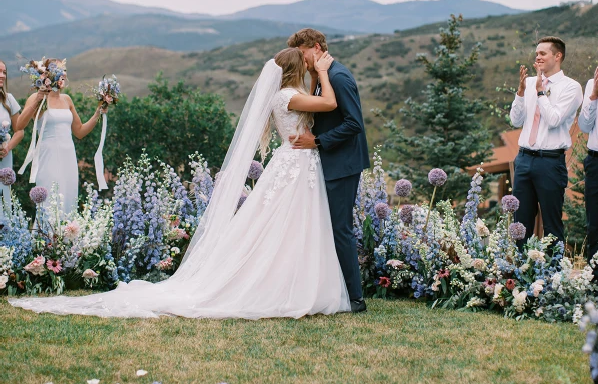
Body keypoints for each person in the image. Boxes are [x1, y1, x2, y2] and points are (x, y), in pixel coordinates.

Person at [10, 48, 351, 319]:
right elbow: (331, 104)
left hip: (298, 163)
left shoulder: (286, 94)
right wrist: (323, 72)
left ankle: (293, 282)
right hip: (294, 163)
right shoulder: (287, 96)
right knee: (282, 226)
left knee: (291, 226)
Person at [287, 28, 370, 313]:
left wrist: (318, 141)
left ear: (318, 48)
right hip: (330, 161)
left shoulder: (339, 77)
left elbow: (354, 123)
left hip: (343, 164)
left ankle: (356, 299)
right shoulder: (322, 77)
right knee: (330, 227)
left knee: (340, 229)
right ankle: (336, 290)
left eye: (304, 54)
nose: (302, 60)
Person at [509, 36, 583, 243]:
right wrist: (521, 93)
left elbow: (554, 120)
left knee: (551, 224)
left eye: (543, 53)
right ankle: (519, 272)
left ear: (557, 56)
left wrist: (541, 92)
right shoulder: (529, 82)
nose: (538, 57)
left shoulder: (572, 87)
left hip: (550, 162)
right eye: (536, 54)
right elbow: (515, 121)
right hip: (523, 160)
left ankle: (553, 274)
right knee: (520, 223)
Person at [16, 59, 105, 217]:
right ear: (48, 74)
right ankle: (49, 240)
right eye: (60, 70)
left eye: (65, 71)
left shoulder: (67, 100)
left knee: (69, 197)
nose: (64, 74)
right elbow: (20, 125)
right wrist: (37, 98)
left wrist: (98, 112)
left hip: (68, 156)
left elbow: (79, 131)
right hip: (48, 156)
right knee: (51, 199)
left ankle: (67, 238)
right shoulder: (37, 98)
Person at [579, 66, 598, 270]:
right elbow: (584, 126)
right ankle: (595, 279)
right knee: (594, 224)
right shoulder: (592, 85)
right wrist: (594, 95)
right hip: (596, 162)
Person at [0, 59, 24, 220]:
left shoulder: (9, 100)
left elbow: (20, 130)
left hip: (4, 162)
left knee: (3, 206)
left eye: (4, 72)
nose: (2, 76)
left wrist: (7, 147)